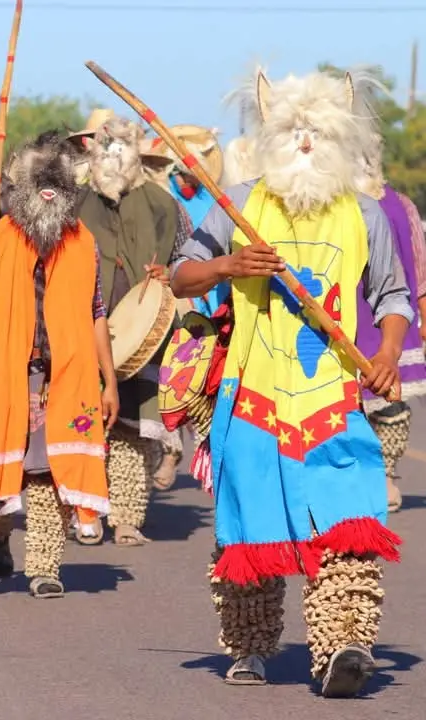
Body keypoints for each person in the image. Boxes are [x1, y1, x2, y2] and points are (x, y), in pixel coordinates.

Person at [170, 69, 407, 696]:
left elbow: (394, 296)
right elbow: (181, 275)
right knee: (252, 529)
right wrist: (230, 263)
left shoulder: (364, 215)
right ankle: (249, 647)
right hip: (253, 398)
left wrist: (384, 351)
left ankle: (345, 647)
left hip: (334, 400)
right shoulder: (240, 204)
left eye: (318, 132)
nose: (304, 143)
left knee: (349, 520)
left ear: (340, 139)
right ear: (272, 137)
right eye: (292, 131)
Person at [0, 129, 116, 597]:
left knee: (49, 471)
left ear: (68, 195)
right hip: (8, 373)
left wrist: (110, 382)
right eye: (39, 186)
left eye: (57, 187)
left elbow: (96, 314)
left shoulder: (83, 243)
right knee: (11, 472)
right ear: (22, 192)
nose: (48, 195)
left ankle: (44, 566)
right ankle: (0, 534)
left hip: (66, 374)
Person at [75, 115, 193, 547]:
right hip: (83, 327)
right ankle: (85, 512)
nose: (112, 156)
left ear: (135, 152)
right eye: (104, 148)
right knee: (82, 422)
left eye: (121, 147)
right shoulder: (73, 203)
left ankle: (126, 516)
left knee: (131, 428)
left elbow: (189, 260)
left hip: (145, 334)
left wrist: (170, 272)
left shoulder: (163, 204)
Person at [141, 126, 226, 490]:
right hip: (177, 298)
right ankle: (172, 449)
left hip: (213, 299)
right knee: (177, 375)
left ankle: (209, 451)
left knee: (207, 382)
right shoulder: (166, 198)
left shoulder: (218, 202)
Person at [352, 129, 426, 513]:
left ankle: (387, 474)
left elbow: (419, 263)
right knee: (352, 410)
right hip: (346, 318)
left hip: (393, 318)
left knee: (393, 405)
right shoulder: (340, 209)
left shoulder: (401, 206)